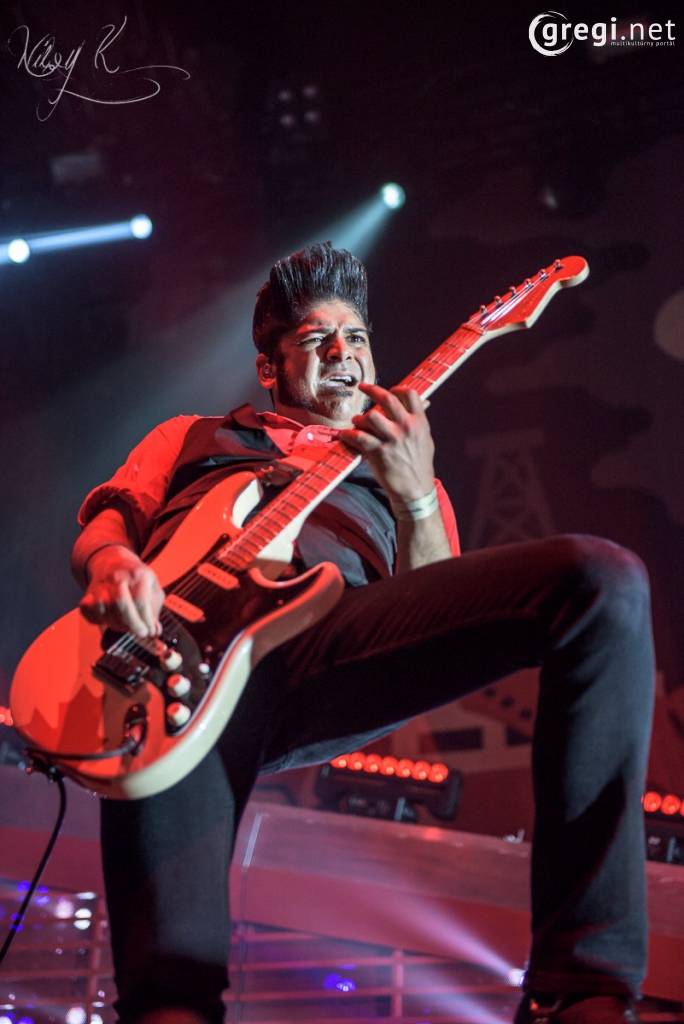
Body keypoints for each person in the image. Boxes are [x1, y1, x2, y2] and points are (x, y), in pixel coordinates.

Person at [71, 243, 655, 1024]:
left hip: (334, 644)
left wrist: (414, 497)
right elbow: (112, 518)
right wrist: (112, 562)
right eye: (316, 338)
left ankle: (577, 987)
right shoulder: (188, 437)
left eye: (356, 337)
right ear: (270, 368)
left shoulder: (404, 466)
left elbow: (434, 608)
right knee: (168, 999)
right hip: (178, 662)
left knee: (604, 581)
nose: (342, 351)